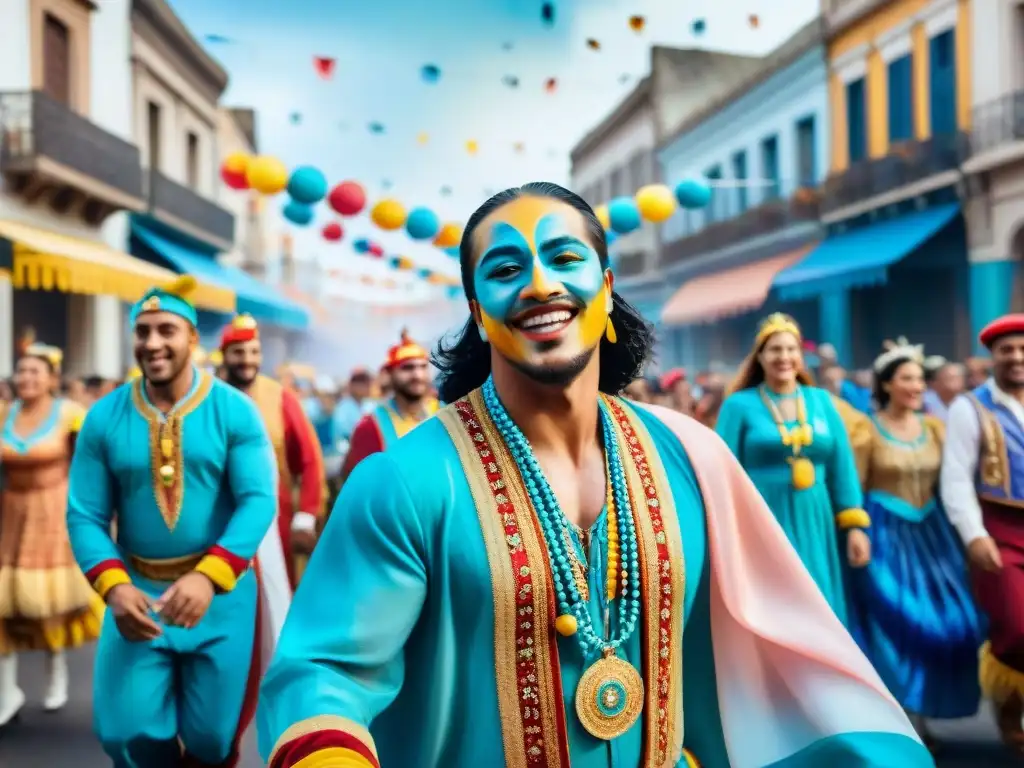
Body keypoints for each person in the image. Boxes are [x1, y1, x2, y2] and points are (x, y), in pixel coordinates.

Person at [257, 183, 929, 768]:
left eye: (566, 258)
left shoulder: (693, 458)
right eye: (507, 267)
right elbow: (324, 674)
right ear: (477, 309)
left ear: (607, 288)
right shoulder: (402, 483)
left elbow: (781, 656)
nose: (542, 284)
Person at [66, 276, 291, 767]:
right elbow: (84, 514)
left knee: (213, 740)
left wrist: (208, 579)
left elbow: (258, 500)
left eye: (166, 330)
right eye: (142, 331)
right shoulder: (104, 418)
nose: (152, 343)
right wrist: (115, 588)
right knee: (126, 733)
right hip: (138, 598)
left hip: (223, 599)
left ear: (192, 338)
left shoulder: (236, 412)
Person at [847, 340, 983, 745]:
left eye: (920, 379)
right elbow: (854, 486)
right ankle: (905, 717)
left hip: (934, 537)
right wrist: (855, 530)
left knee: (952, 621)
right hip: (884, 535)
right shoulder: (865, 429)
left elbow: (959, 480)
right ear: (887, 384)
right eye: (907, 378)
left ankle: (926, 703)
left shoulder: (938, 428)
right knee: (895, 621)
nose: (917, 386)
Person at [715, 314, 870, 624]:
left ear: (801, 356)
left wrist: (854, 525)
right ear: (759, 357)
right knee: (776, 604)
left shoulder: (821, 400)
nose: (784, 357)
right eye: (774, 350)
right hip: (762, 517)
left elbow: (842, 467)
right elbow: (721, 469)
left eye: (791, 349)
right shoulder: (738, 405)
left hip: (816, 516)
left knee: (819, 600)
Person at [0, 344, 100, 725]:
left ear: (52, 379)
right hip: (11, 514)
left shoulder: (70, 415)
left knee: (51, 604)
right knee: (4, 606)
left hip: (54, 513)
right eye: (21, 371)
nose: (26, 378)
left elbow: (92, 464)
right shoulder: (4, 414)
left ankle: (55, 668)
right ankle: (6, 690)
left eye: (34, 372)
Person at [941, 314, 1024, 751]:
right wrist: (974, 534)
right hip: (1000, 530)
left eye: (1022, 350)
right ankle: (1010, 711)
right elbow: (955, 478)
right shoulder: (969, 407)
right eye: (1007, 350)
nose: (1017, 358)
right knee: (1015, 624)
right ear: (992, 356)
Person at [220, 314, 327, 587]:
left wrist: (304, 518)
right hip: (218, 522)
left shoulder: (281, 398)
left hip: (275, 525)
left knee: (274, 599)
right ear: (224, 355)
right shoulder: (211, 399)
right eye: (238, 352)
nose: (247, 359)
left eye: (254, 352)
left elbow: (310, 461)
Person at [337, 329, 439, 485]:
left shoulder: (448, 412)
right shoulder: (371, 426)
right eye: (407, 368)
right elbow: (359, 486)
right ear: (389, 374)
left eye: (423, 367)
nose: (417, 375)